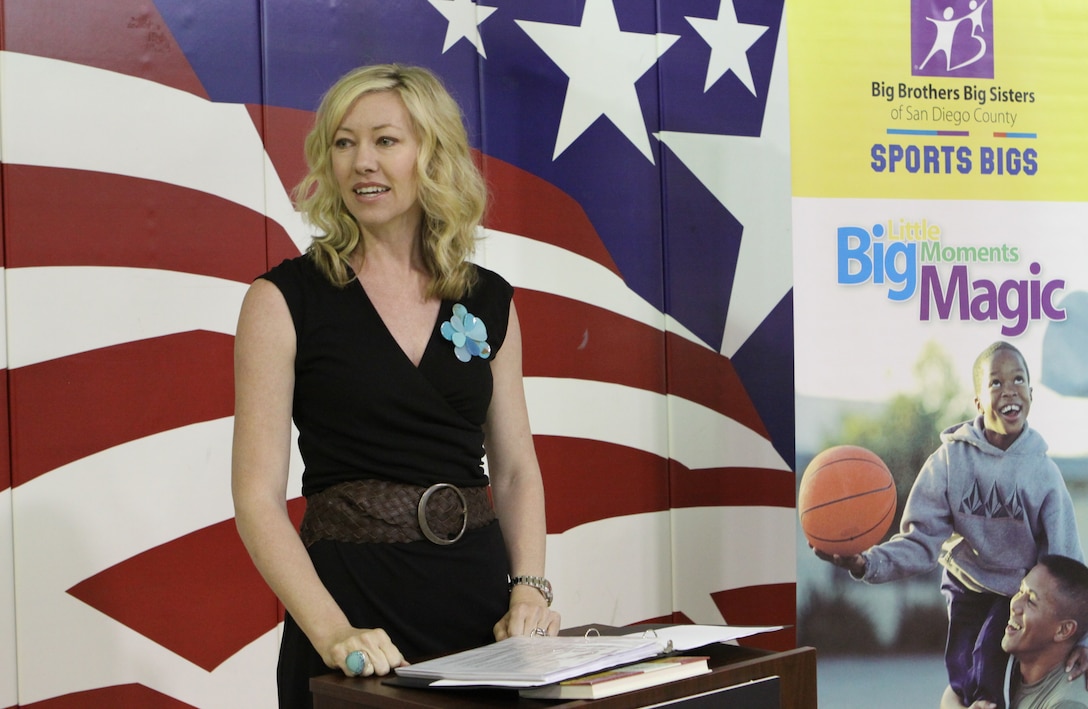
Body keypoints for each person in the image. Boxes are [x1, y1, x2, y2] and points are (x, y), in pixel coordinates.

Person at [231, 63, 561, 708]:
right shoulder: (280, 299)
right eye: (343, 142)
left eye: (385, 141)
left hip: (479, 606)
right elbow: (256, 498)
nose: (362, 162)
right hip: (352, 609)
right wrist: (332, 633)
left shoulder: (489, 298)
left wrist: (528, 588)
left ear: (431, 155)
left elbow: (517, 470)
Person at [818, 341, 1086, 709]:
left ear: (1031, 394)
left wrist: (1084, 641)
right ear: (977, 402)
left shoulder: (1043, 474)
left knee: (990, 661)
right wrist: (869, 563)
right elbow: (921, 539)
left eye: (1018, 379)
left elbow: (1066, 561)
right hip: (965, 583)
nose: (1009, 389)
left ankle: (988, 702)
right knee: (960, 672)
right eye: (995, 383)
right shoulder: (949, 462)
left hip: (1014, 589)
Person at [940, 555, 1088, 709]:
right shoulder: (1014, 661)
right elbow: (953, 693)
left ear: (1063, 630)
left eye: (1030, 600)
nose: (1015, 604)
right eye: (1020, 590)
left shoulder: (1067, 703)